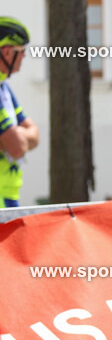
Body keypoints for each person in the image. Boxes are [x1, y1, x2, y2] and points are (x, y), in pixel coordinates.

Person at [0, 18, 39, 208]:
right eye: (22, 51)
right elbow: (16, 147)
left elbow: (34, 134)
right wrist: (15, 137)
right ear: (7, 52)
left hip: (8, 195)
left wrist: (15, 135)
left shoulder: (4, 89)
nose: (24, 57)